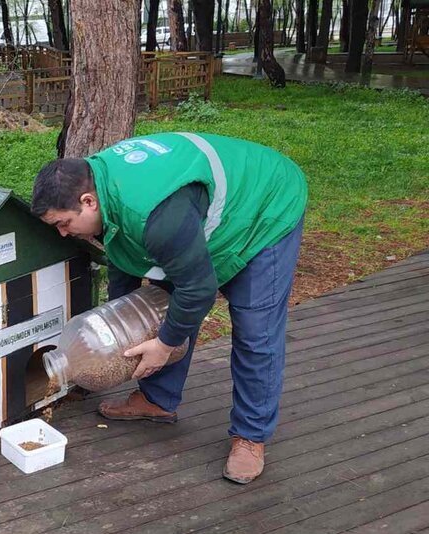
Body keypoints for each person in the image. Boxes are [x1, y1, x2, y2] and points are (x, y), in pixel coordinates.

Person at [31, 132, 307, 484]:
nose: (63, 234)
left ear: (88, 201)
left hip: (264, 207)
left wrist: (163, 346)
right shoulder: (105, 192)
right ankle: (158, 400)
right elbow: (124, 262)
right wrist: (121, 319)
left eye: (63, 224)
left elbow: (198, 290)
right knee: (157, 308)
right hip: (191, 222)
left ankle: (250, 436)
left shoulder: (154, 215)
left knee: (256, 330)